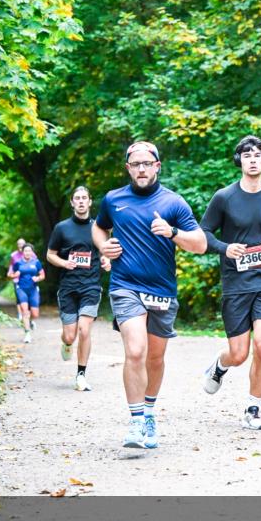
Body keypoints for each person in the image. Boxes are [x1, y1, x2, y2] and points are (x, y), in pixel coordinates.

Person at [93, 141, 207, 449]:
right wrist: (103, 246)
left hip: (161, 290)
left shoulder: (173, 203)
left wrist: (172, 232)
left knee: (155, 358)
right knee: (135, 351)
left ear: (157, 166)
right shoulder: (113, 199)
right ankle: (135, 421)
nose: (141, 169)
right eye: (136, 164)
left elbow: (200, 244)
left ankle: (149, 412)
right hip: (125, 285)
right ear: (128, 168)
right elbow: (99, 227)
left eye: (147, 163)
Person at [199, 135, 261, 430]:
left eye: (257, 155)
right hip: (236, 283)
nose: (253, 160)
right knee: (239, 354)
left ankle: (254, 409)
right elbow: (203, 233)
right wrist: (225, 248)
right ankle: (220, 365)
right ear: (239, 161)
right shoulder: (224, 198)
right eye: (247, 155)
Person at [47, 185, 111, 392]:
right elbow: (50, 255)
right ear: (72, 203)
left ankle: (81, 375)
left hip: (91, 286)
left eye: (84, 198)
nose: (81, 201)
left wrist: (106, 261)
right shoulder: (62, 228)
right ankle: (66, 344)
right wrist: (64, 263)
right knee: (70, 336)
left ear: (90, 202)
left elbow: (105, 253)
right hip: (68, 287)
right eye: (77, 198)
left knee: (85, 329)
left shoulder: (99, 228)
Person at [9, 243, 45, 343]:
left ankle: (31, 321)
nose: (27, 253)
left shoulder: (36, 262)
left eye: (29, 251)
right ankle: (27, 334)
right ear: (23, 252)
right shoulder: (18, 263)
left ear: (32, 252)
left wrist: (37, 278)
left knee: (35, 314)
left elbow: (42, 275)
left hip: (33, 289)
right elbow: (10, 274)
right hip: (21, 289)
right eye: (25, 251)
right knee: (25, 312)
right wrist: (15, 275)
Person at [8, 238, 31, 327]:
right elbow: (11, 266)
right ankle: (20, 315)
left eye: (22, 244)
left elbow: (36, 264)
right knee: (19, 298)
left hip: (29, 279)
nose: (20, 245)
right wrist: (10, 273)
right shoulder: (13, 255)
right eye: (19, 244)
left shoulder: (31, 253)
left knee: (28, 298)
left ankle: (27, 316)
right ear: (17, 245)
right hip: (17, 280)